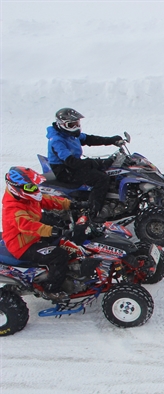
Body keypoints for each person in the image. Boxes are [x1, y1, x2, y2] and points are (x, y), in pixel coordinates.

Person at [1, 167, 84, 302]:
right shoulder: (13, 208)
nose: (34, 189)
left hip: (32, 236)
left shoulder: (26, 196)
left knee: (67, 239)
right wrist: (52, 230)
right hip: (22, 245)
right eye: (30, 187)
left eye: (34, 185)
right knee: (59, 255)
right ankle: (51, 289)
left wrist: (71, 204)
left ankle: (71, 272)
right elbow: (28, 225)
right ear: (15, 188)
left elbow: (47, 200)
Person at [46, 108, 123, 219]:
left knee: (108, 170)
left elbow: (89, 139)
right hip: (64, 170)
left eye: (77, 124)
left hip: (72, 166)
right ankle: (93, 213)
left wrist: (110, 140)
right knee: (101, 179)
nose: (75, 127)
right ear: (61, 124)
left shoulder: (70, 134)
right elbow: (71, 161)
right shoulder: (57, 140)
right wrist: (95, 163)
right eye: (71, 125)